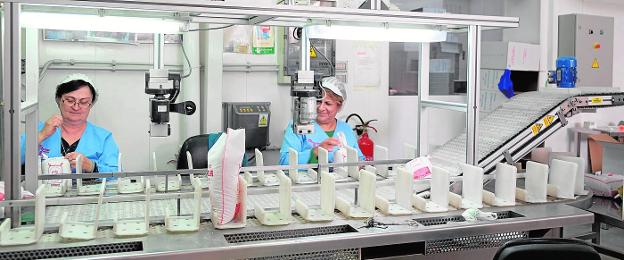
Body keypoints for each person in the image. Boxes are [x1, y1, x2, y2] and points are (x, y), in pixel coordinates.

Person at [20, 74, 119, 173]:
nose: (76, 107)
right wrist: (41, 135)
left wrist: (92, 167)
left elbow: (116, 173)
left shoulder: (103, 138)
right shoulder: (37, 131)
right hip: (41, 188)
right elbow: (10, 162)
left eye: (84, 102)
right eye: (70, 100)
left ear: (91, 104)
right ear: (58, 100)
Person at [279, 77, 364, 165]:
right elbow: (284, 162)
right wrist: (315, 152)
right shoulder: (299, 125)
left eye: (328, 103)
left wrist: (360, 166)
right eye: (318, 101)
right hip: (308, 178)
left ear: (339, 106)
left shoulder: (345, 129)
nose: (321, 108)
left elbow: (360, 159)